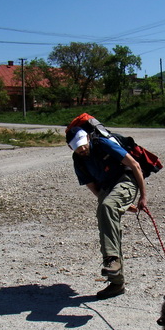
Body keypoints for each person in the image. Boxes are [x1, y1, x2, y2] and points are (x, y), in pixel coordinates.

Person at [67, 126, 147, 298]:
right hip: (107, 188)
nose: (82, 149)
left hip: (125, 180)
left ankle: (112, 259)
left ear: (88, 138)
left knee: (107, 208)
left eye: (83, 144)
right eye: (77, 147)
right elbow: (92, 186)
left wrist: (142, 197)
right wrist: (111, 202)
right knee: (106, 218)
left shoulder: (103, 144)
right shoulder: (78, 159)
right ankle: (117, 283)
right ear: (71, 148)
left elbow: (135, 165)